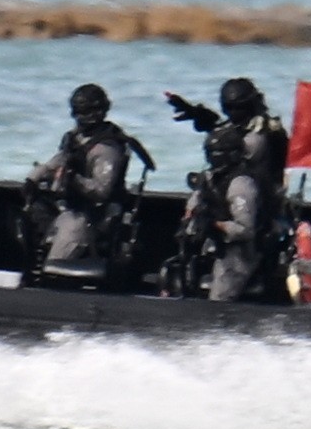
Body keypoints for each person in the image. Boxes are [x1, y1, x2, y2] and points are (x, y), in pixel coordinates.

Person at [166, 76, 292, 301]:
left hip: (259, 211)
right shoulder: (234, 135)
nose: (233, 113)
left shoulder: (261, 136)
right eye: (229, 108)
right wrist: (202, 116)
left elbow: (233, 147)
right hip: (225, 209)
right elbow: (224, 140)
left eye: (238, 107)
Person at [29, 82, 151, 288]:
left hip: (93, 216)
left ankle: (51, 280)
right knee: (34, 212)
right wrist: (33, 179)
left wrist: (73, 179)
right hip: (70, 206)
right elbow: (58, 161)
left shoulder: (106, 148)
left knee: (62, 251)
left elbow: (101, 190)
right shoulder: (76, 138)